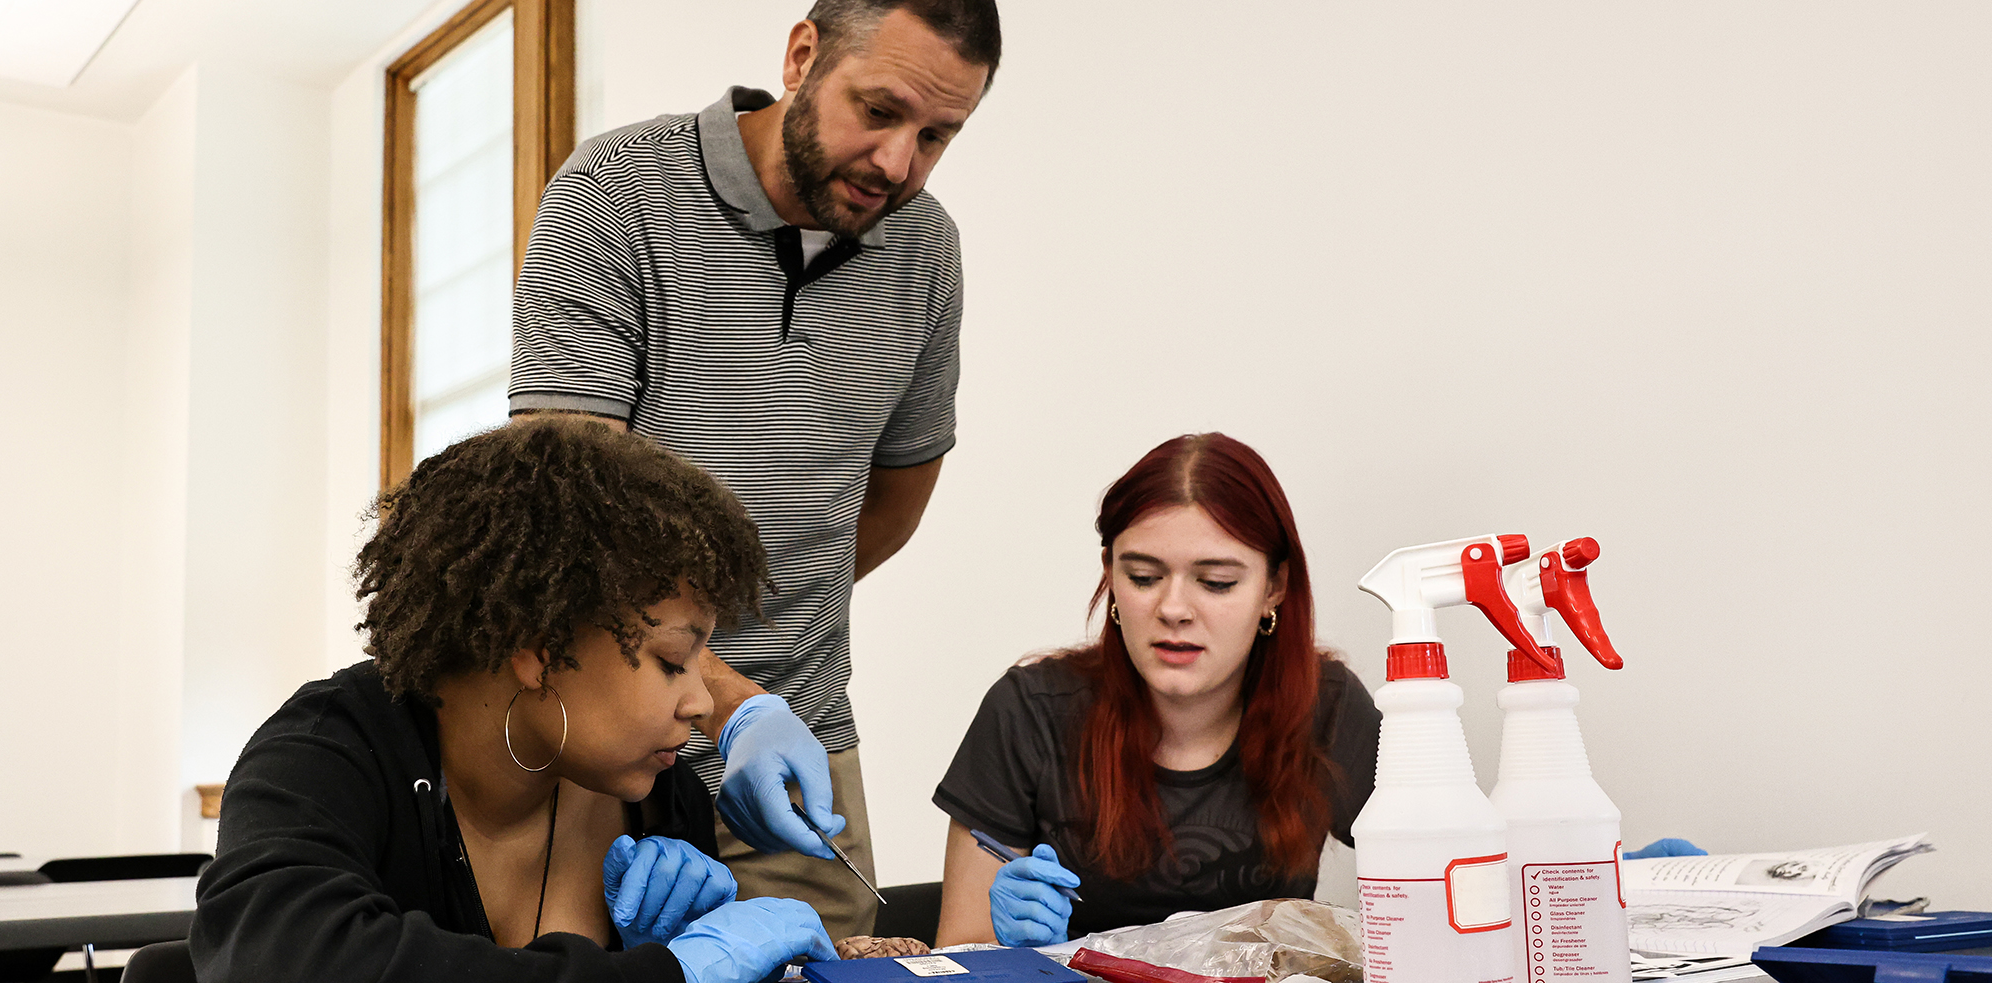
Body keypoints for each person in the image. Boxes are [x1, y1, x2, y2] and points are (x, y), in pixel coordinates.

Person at [509, 0, 1001, 938]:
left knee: (836, 962)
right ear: (802, 55)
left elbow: (896, 494)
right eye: (880, 111)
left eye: (938, 136)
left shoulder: (926, 253)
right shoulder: (616, 192)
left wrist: (766, 649)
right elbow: (566, 509)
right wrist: (721, 693)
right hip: (595, 727)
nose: (899, 165)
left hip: (799, 735)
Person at [193, 418, 838, 983]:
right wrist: (666, 974)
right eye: (674, 661)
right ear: (539, 646)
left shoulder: (659, 797)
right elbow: (282, 963)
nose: (703, 702)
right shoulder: (324, 757)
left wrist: (668, 952)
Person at [931, 433, 1379, 946]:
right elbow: (959, 952)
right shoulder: (1030, 710)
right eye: (1143, 576)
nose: (1173, 609)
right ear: (1111, 575)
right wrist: (1014, 948)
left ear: (1273, 587)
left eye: (1215, 583)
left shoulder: (1327, 705)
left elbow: (1438, 883)